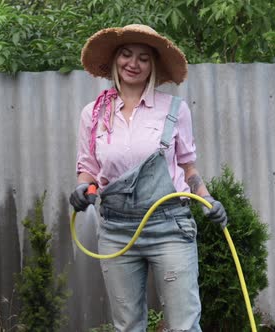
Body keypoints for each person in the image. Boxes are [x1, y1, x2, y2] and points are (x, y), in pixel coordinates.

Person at [69, 24, 227, 332]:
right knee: (128, 326)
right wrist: (81, 188)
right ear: (115, 59)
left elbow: (187, 168)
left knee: (184, 325)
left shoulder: (175, 110)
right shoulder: (94, 113)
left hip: (170, 227)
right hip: (116, 230)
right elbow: (88, 167)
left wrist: (208, 200)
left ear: (153, 65)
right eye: (126, 54)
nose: (133, 63)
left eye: (143, 57)